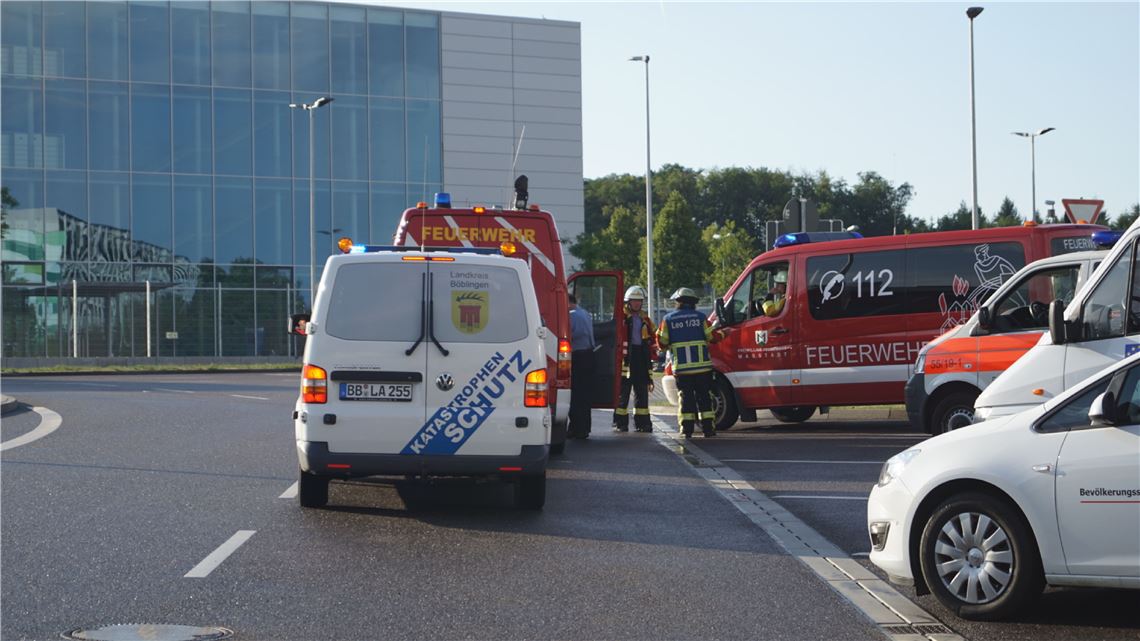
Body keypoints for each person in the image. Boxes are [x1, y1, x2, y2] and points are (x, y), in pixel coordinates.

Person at [658, 287, 722, 438]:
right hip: (702, 368)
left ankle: (687, 430)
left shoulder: (668, 319)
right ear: (693, 302)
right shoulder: (701, 318)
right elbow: (712, 337)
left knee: (686, 398)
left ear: (678, 302)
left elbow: (662, 342)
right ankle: (708, 429)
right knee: (704, 398)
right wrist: (723, 334)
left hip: (682, 369)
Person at [612, 285, 655, 433]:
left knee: (641, 391)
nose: (637, 304)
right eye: (634, 301)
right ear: (628, 302)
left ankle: (643, 423)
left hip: (641, 357)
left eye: (639, 301)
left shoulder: (645, 319)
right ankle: (621, 423)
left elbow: (653, 336)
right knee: (623, 392)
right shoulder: (622, 318)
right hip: (626, 358)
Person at [567, 294, 596, 439]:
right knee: (585, 395)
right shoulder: (584, 313)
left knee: (575, 395)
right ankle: (584, 428)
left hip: (577, 357)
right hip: (589, 355)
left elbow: (568, 335)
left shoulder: (571, 316)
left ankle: (576, 428)